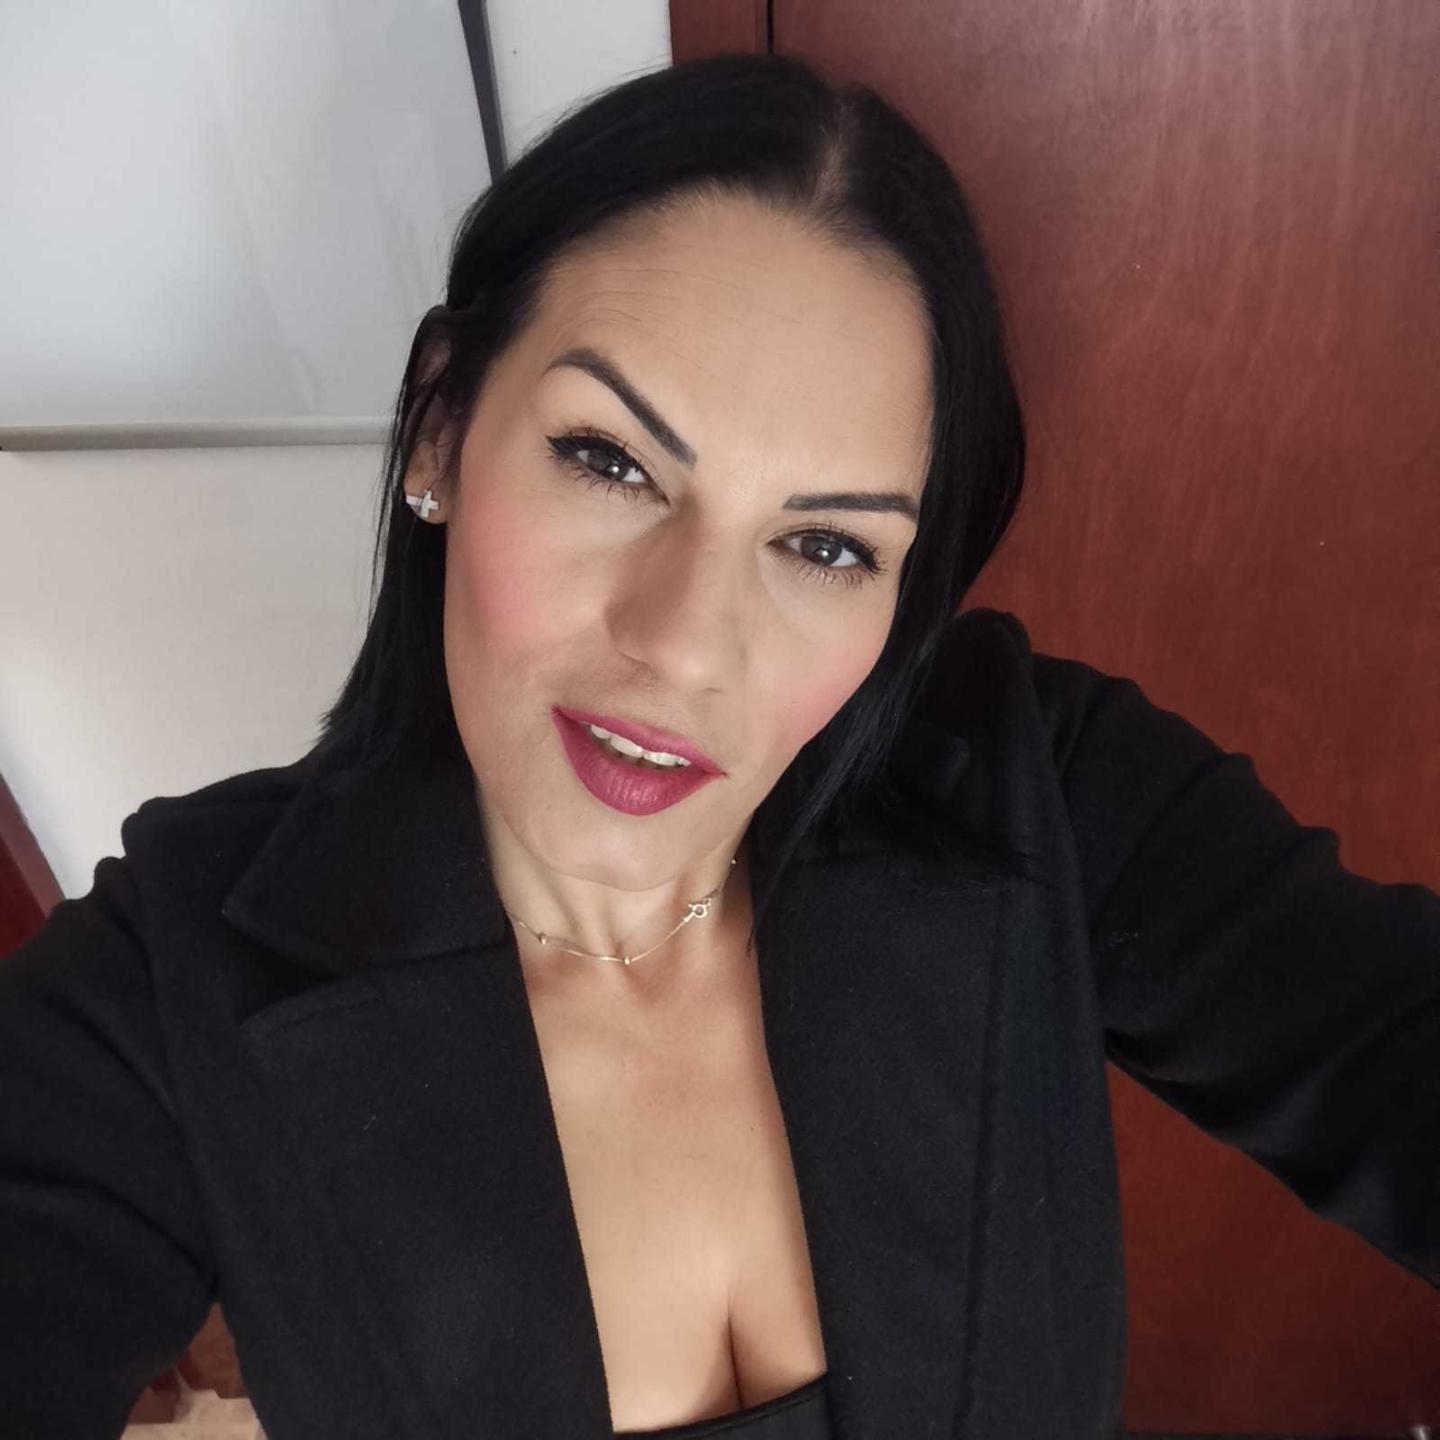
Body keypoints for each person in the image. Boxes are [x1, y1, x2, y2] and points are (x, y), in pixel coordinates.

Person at [1, 52, 1435, 1440]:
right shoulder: (175, 978)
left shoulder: (1035, 789)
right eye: (611, 461)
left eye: (825, 545)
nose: (687, 644)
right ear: (441, 426)